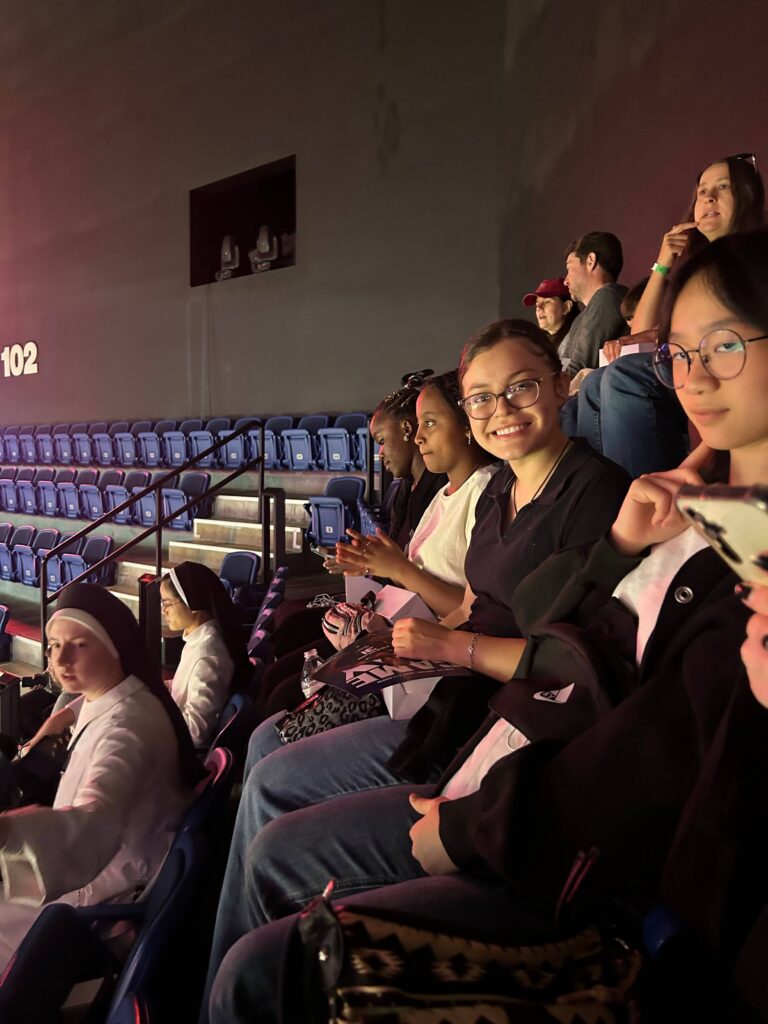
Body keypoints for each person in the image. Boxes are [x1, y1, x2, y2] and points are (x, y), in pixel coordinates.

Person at [207, 229, 768, 1024]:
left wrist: (478, 817)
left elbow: (622, 714)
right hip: (489, 752)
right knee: (267, 782)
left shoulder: (622, 498)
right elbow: (554, 619)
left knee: (262, 957)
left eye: (725, 345)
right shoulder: (651, 507)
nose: (696, 376)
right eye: (679, 351)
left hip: (557, 836)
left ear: (564, 385)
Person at [202, 319, 629, 1003]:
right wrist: (394, 636)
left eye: (520, 388)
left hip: (497, 735)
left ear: (558, 383)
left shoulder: (597, 492)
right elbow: (473, 601)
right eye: (483, 398)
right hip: (449, 699)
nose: (502, 411)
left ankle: (268, 974)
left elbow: (573, 665)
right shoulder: (498, 490)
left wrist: (450, 644)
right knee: (269, 774)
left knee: (272, 837)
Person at [0, 583, 201, 974]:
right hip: (99, 877)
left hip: (99, 901)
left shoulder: (127, 732)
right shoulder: (127, 695)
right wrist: (66, 713)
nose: (61, 659)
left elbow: (96, 822)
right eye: (54, 646)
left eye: (79, 645)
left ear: (115, 648)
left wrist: (6, 832)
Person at [577, 154, 765, 476]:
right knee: (592, 384)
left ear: (747, 197)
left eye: (723, 187)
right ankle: (603, 497)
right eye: (702, 191)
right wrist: (663, 261)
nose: (708, 197)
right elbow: (643, 328)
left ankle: (644, 488)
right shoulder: (692, 266)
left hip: (698, 368)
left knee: (625, 375)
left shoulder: (756, 261)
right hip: (678, 363)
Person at [335, 370, 496, 618]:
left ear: (466, 422)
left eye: (429, 423)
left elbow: (477, 612)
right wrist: (377, 562)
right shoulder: (445, 492)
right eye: (420, 425)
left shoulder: (487, 491)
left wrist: (398, 568)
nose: (419, 437)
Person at [161, 561, 250, 749]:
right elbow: (185, 687)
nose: (164, 611)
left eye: (167, 603)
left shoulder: (207, 656)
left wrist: (155, 713)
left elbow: (196, 732)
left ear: (191, 601)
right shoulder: (199, 638)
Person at [559, 231, 628, 377]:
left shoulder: (607, 296)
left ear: (590, 261)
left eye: (569, 268)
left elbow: (578, 368)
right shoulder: (580, 318)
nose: (565, 280)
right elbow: (565, 365)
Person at [521, 276, 578, 350]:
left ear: (566, 307)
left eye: (547, 302)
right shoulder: (539, 345)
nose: (538, 307)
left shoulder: (579, 341)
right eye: (537, 303)